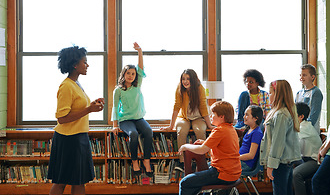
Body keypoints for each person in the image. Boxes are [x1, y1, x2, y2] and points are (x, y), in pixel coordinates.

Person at [48, 46, 105, 195]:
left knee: (79, 181)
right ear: (75, 65)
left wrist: (92, 105)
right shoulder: (66, 86)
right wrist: (89, 110)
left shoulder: (76, 84)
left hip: (79, 137)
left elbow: (77, 108)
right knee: (61, 182)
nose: (87, 65)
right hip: (68, 140)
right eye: (84, 62)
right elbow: (61, 118)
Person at [178, 101, 242, 195]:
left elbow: (202, 150)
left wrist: (185, 146)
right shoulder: (230, 129)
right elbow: (223, 146)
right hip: (234, 173)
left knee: (185, 182)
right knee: (198, 176)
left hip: (223, 174)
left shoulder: (219, 130)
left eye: (213, 114)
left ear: (221, 117)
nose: (211, 116)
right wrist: (205, 142)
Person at [112, 42, 153, 177]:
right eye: (128, 73)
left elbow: (140, 67)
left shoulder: (137, 85)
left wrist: (139, 51)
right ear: (123, 74)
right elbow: (115, 107)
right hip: (125, 120)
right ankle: (134, 161)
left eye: (133, 74)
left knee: (148, 131)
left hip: (139, 118)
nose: (131, 76)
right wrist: (114, 125)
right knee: (133, 134)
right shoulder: (118, 90)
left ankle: (146, 160)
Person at [161, 69, 214, 171]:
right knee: (181, 131)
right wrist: (171, 126)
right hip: (184, 117)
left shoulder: (200, 89)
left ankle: (202, 161)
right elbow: (176, 106)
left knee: (199, 131)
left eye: (188, 79)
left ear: (193, 80)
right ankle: (183, 162)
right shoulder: (180, 88)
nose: (185, 81)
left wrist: (210, 125)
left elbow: (203, 106)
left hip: (198, 117)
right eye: (183, 79)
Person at [259, 80, 301, 195]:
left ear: (278, 94)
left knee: (280, 191)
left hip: (280, 162)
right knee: (285, 190)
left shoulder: (281, 114)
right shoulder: (281, 112)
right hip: (283, 161)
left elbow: (278, 142)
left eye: (271, 93)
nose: (268, 95)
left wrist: (271, 165)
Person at [293, 102, 322, 195]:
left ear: (301, 116)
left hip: (314, 161)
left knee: (295, 174)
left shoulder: (304, 127)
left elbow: (291, 142)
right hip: (305, 159)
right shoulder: (302, 126)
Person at [295, 64, 323, 133]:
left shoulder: (316, 92)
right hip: (299, 130)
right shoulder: (299, 93)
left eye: (304, 75)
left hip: (310, 131)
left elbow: (314, 115)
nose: (301, 78)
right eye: (300, 75)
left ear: (312, 77)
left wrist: (305, 128)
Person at [239, 105, 264, 173]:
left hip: (246, 164)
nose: (244, 117)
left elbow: (251, 155)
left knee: (221, 166)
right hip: (240, 161)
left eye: (247, 115)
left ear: (255, 118)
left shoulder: (257, 133)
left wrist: (234, 158)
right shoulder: (249, 130)